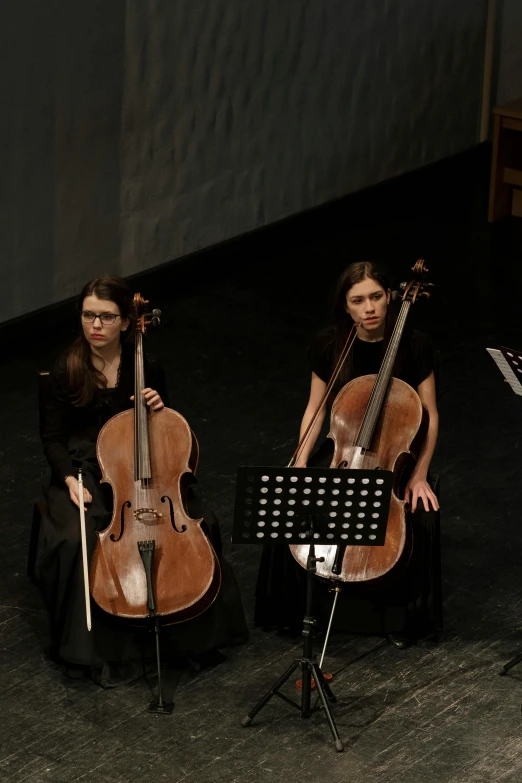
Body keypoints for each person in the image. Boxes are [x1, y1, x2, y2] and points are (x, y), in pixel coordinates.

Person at [37, 275, 247, 686]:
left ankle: (184, 631)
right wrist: (68, 479)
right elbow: (52, 439)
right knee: (76, 538)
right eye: (87, 315)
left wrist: (157, 405)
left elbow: (164, 427)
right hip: (83, 465)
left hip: (139, 463)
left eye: (106, 317)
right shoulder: (65, 368)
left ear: (128, 321)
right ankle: (96, 648)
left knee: (203, 523)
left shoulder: (145, 363)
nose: (95, 325)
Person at [255, 261, 442, 647]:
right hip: (343, 447)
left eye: (376, 297)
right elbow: (316, 408)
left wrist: (421, 473)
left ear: (390, 299)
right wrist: (301, 459)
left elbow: (432, 416)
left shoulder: (415, 344)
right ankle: (299, 612)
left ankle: (393, 618)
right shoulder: (330, 345)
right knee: (291, 505)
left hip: (395, 454)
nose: (369, 308)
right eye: (358, 300)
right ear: (345, 306)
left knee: (418, 518)